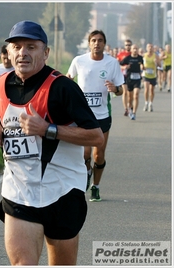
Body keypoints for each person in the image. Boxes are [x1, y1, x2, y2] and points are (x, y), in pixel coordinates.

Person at [0, 20, 104, 265]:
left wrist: (47, 129)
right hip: (19, 190)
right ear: (8, 52)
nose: (23, 53)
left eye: (31, 46)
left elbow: (95, 136)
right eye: (16, 47)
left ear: (45, 52)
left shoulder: (63, 88)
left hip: (62, 190)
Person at [67, 30, 124, 202]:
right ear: (89, 43)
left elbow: (121, 89)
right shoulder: (79, 61)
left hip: (102, 115)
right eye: (93, 40)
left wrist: (115, 89)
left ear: (104, 44)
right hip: (83, 116)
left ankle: (96, 186)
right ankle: (86, 173)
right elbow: (68, 79)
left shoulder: (112, 63)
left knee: (98, 155)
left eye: (100, 40)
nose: (97, 43)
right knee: (84, 154)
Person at [120, 44, 144, 120]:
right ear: (131, 50)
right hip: (129, 79)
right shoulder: (127, 58)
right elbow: (120, 64)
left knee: (136, 95)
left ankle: (134, 113)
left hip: (137, 79)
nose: (135, 50)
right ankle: (130, 107)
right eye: (134, 48)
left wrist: (143, 67)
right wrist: (124, 67)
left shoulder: (140, 58)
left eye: (136, 48)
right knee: (130, 97)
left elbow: (143, 66)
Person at [142, 43, 161, 112]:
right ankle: (146, 103)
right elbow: (141, 65)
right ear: (146, 48)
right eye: (149, 47)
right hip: (146, 75)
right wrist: (142, 67)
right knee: (146, 89)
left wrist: (156, 62)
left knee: (151, 90)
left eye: (151, 47)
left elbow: (159, 65)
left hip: (153, 75)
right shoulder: (144, 55)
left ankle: (151, 103)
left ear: (153, 48)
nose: (150, 48)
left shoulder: (156, 56)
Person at [116, 39, 132, 116]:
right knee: (125, 92)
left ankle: (130, 105)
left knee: (130, 93)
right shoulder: (121, 54)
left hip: (132, 76)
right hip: (123, 76)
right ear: (124, 46)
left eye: (129, 45)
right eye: (126, 45)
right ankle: (126, 109)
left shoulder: (133, 54)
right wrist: (123, 67)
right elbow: (117, 64)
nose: (128, 46)